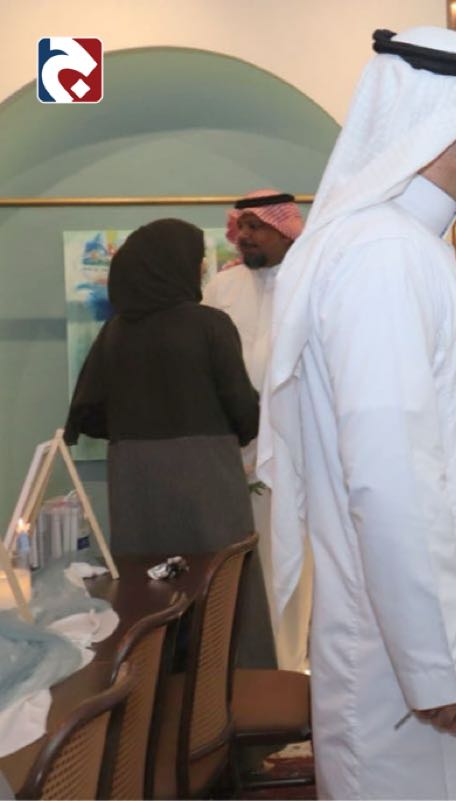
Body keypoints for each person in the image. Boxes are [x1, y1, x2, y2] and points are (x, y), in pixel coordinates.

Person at [256, 27, 456, 799]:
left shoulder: (408, 247)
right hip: (422, 675)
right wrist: (439, 665)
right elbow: (390, 474)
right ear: (443, 121)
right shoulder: (382, 256)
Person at [64, 218, 275, 668]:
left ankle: (150, 694)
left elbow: (87, 412)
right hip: (206, 473)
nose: (200, 270)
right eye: (197, 262)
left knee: (148, 586)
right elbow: (243, 407)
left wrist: (139, 437)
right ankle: (230, 690)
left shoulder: (115, 332)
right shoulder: (209, 324)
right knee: (220, 578)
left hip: (135, 479)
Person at [203, 189, 312, 672]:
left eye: (256, 227)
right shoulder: (221, 287)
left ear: (285, 229)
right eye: (241, 226)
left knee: (292, 558)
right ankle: (241, 669)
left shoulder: (311, 281)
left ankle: (290, 666)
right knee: (238, 562)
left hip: (298, 446)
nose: (244, 236)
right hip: (234, 448)